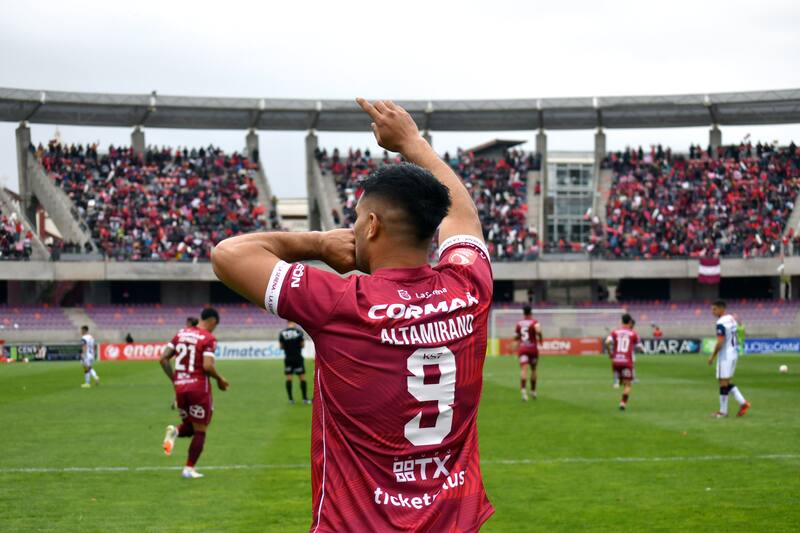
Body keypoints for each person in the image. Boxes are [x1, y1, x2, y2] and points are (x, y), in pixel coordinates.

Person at [212, 98, 494, 531]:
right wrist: (413, 142)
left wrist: (319, 243)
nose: (354, 226)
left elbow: (229, 255)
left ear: (373, 226)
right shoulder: (469, 287)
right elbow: (463, 215)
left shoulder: (340, 302)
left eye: (359, 218)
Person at [159, 308, 229, 479]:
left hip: (180, 388)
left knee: (190, 427)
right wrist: (220, 379)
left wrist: (175, 380)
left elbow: (163, 358)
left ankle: (175, 432)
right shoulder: (208, 338)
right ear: (213, 321)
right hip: (198, 389)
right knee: (200, 430)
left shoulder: (181, 334)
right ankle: (188, 469)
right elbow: (207, 366)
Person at [708, 301, 750, 418]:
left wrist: (712, 356)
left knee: (723, 382)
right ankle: (743, 403)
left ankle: (723, 412)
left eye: (714, 309)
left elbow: (720, 342)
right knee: (726, 382)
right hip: (733, 353)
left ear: (721, 309)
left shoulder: (720, 322)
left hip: (725, 355)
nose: (712, 312)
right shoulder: (731, 318)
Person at [606, 314, 639, 411]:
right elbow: (639, 346)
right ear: (630, 322)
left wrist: (610, 353)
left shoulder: (615, 332)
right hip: (626, 362)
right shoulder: (633, 333)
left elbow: (607, 342)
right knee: (628, 385)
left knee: (622, 381)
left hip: (616, 361)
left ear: (621, 321)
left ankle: (617, 381)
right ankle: (623, 403)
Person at [514, 305, 542, 401]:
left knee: (524, 370)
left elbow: (516, 336)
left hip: (523, 349)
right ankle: (533, 392)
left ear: (523, 313)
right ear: (531, 312)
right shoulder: (534, 322)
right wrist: (540, 339)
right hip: (533, 349)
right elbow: (538, 331)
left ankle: (523, 393)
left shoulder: (519, 323)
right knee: (533, 370)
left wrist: (516, 342)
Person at [279, 320, 310, 404]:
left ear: (287, 322)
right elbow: (302, 345)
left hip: (288, 358)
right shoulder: (299, 332)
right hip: (298, 358)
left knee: (289, 378)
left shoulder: (282, 333)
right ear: (294, 322)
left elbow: (281, 347)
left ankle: (290, 399)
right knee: (302, 378)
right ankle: (305, 399)